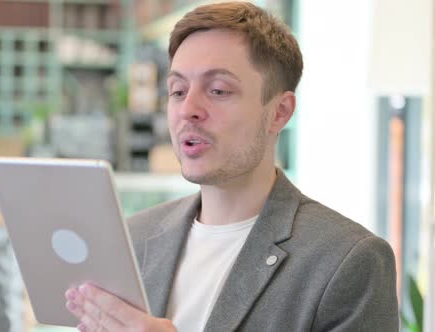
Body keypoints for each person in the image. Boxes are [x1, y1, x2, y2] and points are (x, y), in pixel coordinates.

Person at [64, 2, 399, 331]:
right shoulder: (134, 239)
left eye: (218, 90)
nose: (188, 109)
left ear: (279, 112)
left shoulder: (348, 261)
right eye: (178, 91)